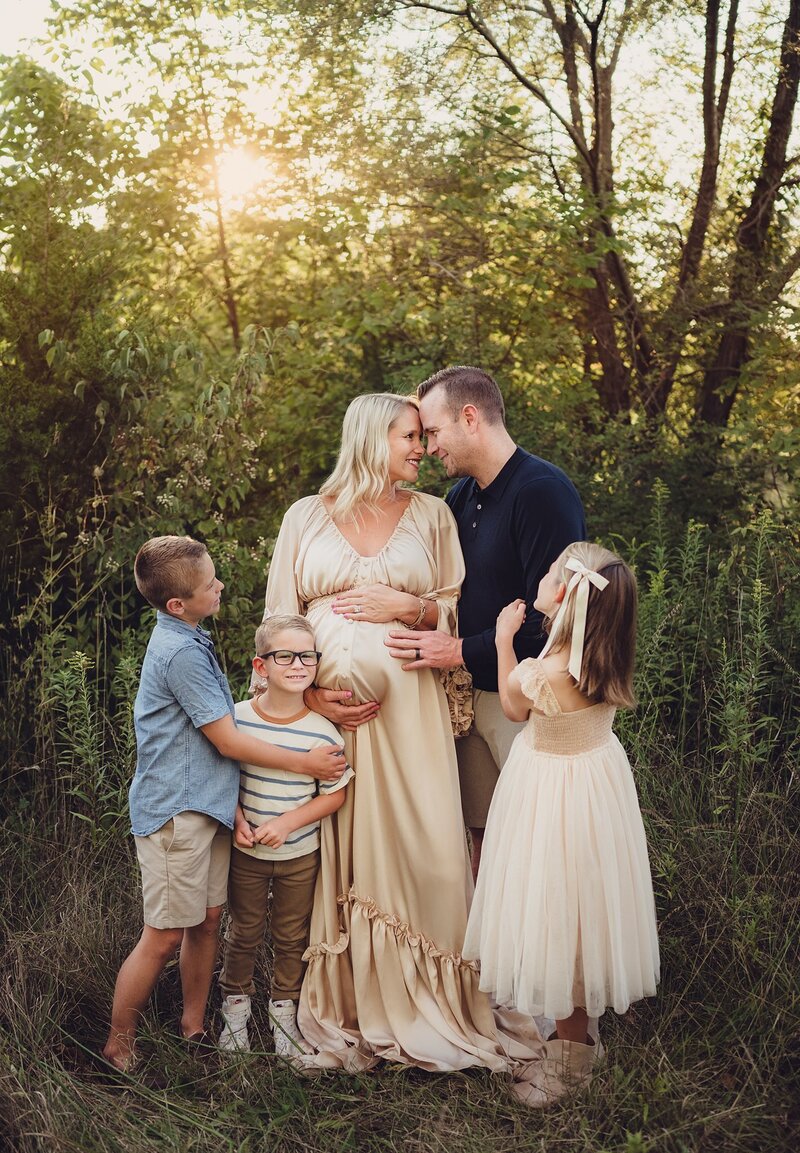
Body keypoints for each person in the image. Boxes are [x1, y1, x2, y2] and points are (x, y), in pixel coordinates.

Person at [263, 392, 543, 1073]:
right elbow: (279, 618)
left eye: (425, 435)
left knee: (437, 854)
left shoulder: (432, 515)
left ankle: (439, 999)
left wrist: (411, 605)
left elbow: (454, 608)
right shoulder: (306, 515)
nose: (422, 448)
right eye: (409, 436)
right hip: (334, 721)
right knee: (342, 855)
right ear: (369, 437)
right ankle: (350, 1001)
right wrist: (310, 691)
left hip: (411, 715)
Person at [102, 536, 345, 1074]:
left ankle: (195, 1026)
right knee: (163, 935)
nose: (220, 586)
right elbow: (230, 741)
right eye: (210, 584)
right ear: (176, 604)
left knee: (208, 921)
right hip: (175, 813)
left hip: (208, 807)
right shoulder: (180, 652)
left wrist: (309, 699)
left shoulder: (192, 633)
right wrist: (306, 764)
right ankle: (119, 1042)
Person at [463, 541, 660, 1107]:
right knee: (586, 906)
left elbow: (513, 705)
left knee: (557, 909)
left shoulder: (544, 671)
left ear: (567, 594)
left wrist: (503, 642)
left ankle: (570, 1060)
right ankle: (578, 1036)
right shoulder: (605, 659)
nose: (542, 574)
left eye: (551, 571)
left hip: (550, 793)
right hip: (596, 786)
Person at [386, 365, 586, 879]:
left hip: (523, 703)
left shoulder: (542, 491)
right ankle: (487, 956)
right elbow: (453, 595)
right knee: (481, 835)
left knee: (535, 839)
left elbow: (555, 618)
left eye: (432, 432)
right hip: (466, 700)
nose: (429, 447)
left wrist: (457, 650)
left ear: (469, 417)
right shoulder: (460, 498)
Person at [217, 614, 352, 1067]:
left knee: (292, 934)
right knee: (244, 931)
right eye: (285, 656)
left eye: (308, 656)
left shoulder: (322, 730)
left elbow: (334, 796)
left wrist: (290, 822)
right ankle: (235, 1009)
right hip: (246, 852)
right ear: (261, 666)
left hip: (300, 854)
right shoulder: (237, 719)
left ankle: (283, 1014)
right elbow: (221, 781)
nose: (299, 665)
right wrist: (236, 818)